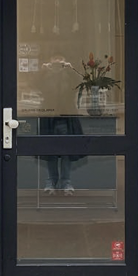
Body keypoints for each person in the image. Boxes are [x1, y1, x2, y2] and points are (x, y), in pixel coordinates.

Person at [38, 54, 84, 195]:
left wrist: (71, 70)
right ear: (50, 61)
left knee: (66, 152)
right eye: (54, 59)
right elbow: (34, 84)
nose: (57, 62)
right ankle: (51, 182)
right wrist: (42, 71)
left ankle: (66, 182)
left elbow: (81, 84)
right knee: (50, 151)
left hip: (66, 118)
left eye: (60, 59)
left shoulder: (68, 75)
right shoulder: (46, 75)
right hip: (49, 117)